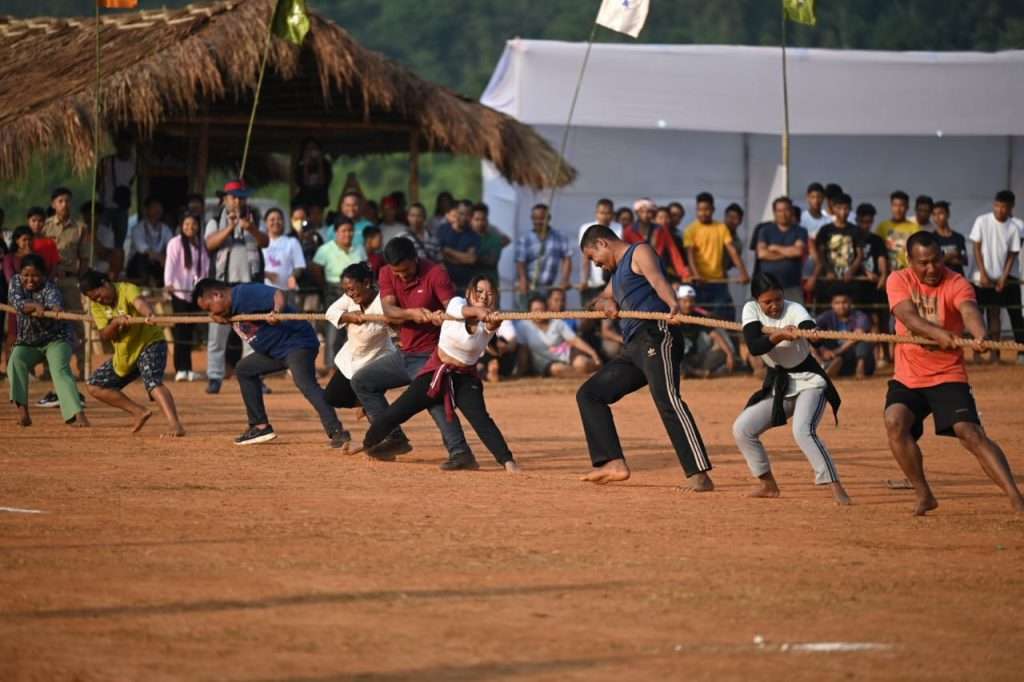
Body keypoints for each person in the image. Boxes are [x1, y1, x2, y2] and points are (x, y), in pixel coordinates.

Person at [884, 231, 1024, 515]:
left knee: (969, 432)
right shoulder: (898, 279)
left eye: (936, 260)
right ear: (909, 260)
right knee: (894, 421)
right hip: (908, 375)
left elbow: (969, 310)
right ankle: (925, 495)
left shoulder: (957, 282)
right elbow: (908, 317)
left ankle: (1016, 498)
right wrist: (938, 333)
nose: (931, 268)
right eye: (923, 263)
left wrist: (980, 334)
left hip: (947, 374)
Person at [576, 225, 714, 489]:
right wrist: (607, 304)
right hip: (632, 348)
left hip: (657, 334)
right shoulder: (615, 277)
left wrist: (673, 304)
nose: (597, 265)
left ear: (603, 243)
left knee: (667, 399)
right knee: (589, 394)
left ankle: (699, 474)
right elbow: (598, 301)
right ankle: (613, 462)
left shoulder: (639, 251)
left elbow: (658, 281)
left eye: (594, 258)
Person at [354, 276, 521, 473]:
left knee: (481, 420)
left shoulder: (490, 320)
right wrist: (477, 311)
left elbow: (490, 327)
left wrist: (493, 319)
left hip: (465, 378)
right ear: (468, 292)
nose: (484, 296)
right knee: (397, 411)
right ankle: (367, 443)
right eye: (479, 291)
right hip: (435, 372)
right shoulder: (457, 304)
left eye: (490, 293)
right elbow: (465, 311)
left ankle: (508, 462)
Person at [350, 237, 478, 469]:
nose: (402, 276)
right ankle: (394, 438)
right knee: (362, 381)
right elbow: (388, 310)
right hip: (404, 353)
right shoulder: (387, 273)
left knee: (434, 398)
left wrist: (442, 314)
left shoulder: (436, 273)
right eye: (397, 272)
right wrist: (411, 314)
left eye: (406, 270)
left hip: (431, 355)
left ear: (415, 259)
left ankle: (461, 453)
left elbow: (455, 309)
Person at [734, 273, 849, 504]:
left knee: (802, 431)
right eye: (768, 302)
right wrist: (778, 336)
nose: (775, 306)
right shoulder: (750, 310)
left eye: (778, 299)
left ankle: (836, 486)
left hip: (809, 381)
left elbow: (808, 326)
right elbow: (755, 347)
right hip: (781, 384)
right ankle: (768, 485)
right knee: (742, 429)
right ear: (757, 300)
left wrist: (811, 333)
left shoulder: (794, 308)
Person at [192, 278, 348, 448]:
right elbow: (226, 314)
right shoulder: (228, 308)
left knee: (306, 384)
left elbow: (277, 294)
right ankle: (260, 426)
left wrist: (276, 311)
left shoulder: (243, 293)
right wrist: (215, 315)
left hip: (296, 344)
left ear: (217, 295)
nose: (210, 312)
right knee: (244, 369)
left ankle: (337, 431)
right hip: (274, 352)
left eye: (209, 308)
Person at [80, 270, 185, 437]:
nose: (99, 300)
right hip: (126, 354)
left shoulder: (126, 288)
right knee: (94, 385)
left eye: (99, 295)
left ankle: (175, 424)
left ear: (105, 283)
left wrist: (149, 315)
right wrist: (115, 324)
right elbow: (105, 335)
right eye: (94, 299)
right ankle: (138, 412)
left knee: (152, 382)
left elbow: (139, 303)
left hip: (150, 343)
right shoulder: (96, 306)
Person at [203, 179, 269, 394]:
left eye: (243, 196)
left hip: (249, 283)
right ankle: (214, 376)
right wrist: (230, 227)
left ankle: (253, 375)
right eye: (236, 197)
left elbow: (265, 242)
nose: (240, 201)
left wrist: (250, 227)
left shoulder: (254, 217)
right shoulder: (215, 219)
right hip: (223, 284)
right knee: (217, 334)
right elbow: (209, 244)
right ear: (226, 199)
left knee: (251, 335)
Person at [7, 255, 89, 428]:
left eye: (35, 275)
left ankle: (77, 414)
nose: (30, 280)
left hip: (56, 339)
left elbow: (55, 303)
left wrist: (54, 309)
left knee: (60, 370)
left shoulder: (50, 288)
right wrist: (35, 306)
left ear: (44, 276)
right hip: (28, 342)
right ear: (20, 274)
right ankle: (24, 414)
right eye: (26, 275)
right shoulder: (15, 282)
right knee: (15, 361)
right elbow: (17, 302)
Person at [323, 262, 397, 418]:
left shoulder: (383, 303)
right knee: (331, 397)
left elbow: (395, 330)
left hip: (376, 360)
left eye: (352, 289)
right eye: (346, 290)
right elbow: (330, 312)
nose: (350, 294)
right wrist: (348, 316)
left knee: (373, 407)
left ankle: (391, 437)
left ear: (366, 283)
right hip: (351, 359)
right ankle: (367, 403)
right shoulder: (349, 298)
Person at [968, 190, 1024, 363]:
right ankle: (976, 354)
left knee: (995, 314)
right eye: (997, 205)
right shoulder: (982, 221)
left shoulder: (1014, 227)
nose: (1000, 210)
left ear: (1011, 208)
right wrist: (983, 273)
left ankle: (995, 354)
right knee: (977, 314)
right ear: (994, 204)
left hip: (1001, 278)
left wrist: (1003, 278)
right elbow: (976, 247)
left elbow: (1012, 255)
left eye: (1004, 207)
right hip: (979, 277)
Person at [42, 187, 89, 380]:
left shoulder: (80, 228)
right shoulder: (45, 228)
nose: (65, 204)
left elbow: (84, 258)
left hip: (70, 281)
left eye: (68, 200)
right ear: (53, 204)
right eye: (60, 201)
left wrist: (83, 280)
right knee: (47, 323)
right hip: (48, 282)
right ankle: (46, 369)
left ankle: (83, 368)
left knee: (77, 324)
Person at [684, 192, 749, 320]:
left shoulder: (721, 228)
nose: (703, 213)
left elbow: (732, 251)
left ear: (713, 209)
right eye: (700, 210)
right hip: (700, 282)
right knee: (701, 317)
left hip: (719, 281)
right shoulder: (691, 229)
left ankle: (730, 340)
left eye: (707, 209)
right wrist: (696, 274)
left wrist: (743, 272)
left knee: (726, 315)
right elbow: (690, 255)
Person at [163, 213, 208, 382]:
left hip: (194, 293)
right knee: (180, 331)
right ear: (181, 225)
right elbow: (171, 264)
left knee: (190, 332)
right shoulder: (175, 243)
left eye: (194, 224)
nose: (190, 227)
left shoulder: (200, 244)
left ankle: (188, 368)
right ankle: (180, 368)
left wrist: (202, 287)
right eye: (187, 224)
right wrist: (169, 283)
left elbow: (204, 268)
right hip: (179, 292)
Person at [312, 217, 365, 359]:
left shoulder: (359, 249)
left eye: (350, 230)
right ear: (336, 232)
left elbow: (365, 269)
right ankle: (331, 365)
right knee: (334, 327)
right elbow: (315, 269)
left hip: (356, 292)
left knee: (357, 328)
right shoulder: (325, 249)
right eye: (344, 230)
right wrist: (325, 287)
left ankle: (355, 362)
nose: (347, 234)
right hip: (333, 290)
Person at [514, 295, 600, 376]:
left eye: (541, 309)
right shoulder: (523, 325)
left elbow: (574, 340)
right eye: (535, 310)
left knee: (581, 363)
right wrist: (520, 370)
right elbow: (523, 349)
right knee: (557, 369)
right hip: (545, 363)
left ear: (546, 310)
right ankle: (587, 377)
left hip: (567, 355)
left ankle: (599, 370)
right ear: (529, 312)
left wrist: (593, 353)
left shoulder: (556, 322)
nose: (539, 312)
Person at [514, 203, 571, 309]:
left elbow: (567, 259)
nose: (539, 222)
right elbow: (520, 262)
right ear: (531, 219)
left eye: (542, 218)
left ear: (549, 218)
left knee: (548, 319)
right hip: (529, 287)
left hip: (549, 288)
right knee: (526, 318)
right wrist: (523, 279)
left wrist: (565, 279)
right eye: (535, 219)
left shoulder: (560, 237)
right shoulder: (525, 239)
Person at [811, 193, 863, 306]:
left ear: (850, 209)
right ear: (833, 209)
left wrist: (852, 271)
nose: (843, 212)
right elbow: (820, 254)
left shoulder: (855, 230)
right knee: (826, 309)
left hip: (849, 280)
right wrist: (828, 270)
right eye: (839, 208)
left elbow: (860, 255)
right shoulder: (825, 230)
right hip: (829, 281)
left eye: (846, 208)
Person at [676, 284, 737, 378]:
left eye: (691, 301)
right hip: (679, 358)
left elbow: (714, 334)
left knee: (722, 353)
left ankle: (693, 372)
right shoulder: (671, 317)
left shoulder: (697, 316)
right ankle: (698, 373)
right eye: (685, 301)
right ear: (678, 301)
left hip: (695, 357)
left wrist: (729, 354)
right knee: (673, 360)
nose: (688, 304)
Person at [756, 196, 808, 303]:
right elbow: (762, 254)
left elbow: (798, 252)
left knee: (797, 318)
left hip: (792, 286)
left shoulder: (800, 231)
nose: (783, 214)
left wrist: (775, 248)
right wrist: (788, 253)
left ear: (792, 211)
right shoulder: (765, 230)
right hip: (768, 287)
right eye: (779, 211)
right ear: (774, 212)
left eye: (786, 210)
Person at [813, 290, 875, 379]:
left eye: (844, 302)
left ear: (850, 303)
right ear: (832, 305)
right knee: (812, 339)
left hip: (856, 357)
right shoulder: (826, 316)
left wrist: (838, 351)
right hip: (836, 358)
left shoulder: (860, 315)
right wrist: (823, 350)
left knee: (864, 339)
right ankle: (822, 366)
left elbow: (859, 334)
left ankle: (860, 368)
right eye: (837, 303)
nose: (841, 306)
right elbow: (811, 330)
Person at [625, 200, 690, 283]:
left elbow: (673, 252)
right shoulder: (629, 231)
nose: (645, 215)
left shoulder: (661, 230)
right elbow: (625, 255)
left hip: (658, 271)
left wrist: (684, 274)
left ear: (653, 213)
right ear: (637, 213)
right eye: (641, 211)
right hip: (636, 273)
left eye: (649, 212)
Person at [578, 199, 622, 310]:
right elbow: (585, 258)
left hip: (611, 279)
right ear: (596, 213)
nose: (604, 216)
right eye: (602, 213)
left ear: (612, 214)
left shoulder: (619, 228)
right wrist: (584, 280)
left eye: (608, 213)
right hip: (593, 281)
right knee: (587, 313)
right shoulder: (586, 228)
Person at [124, 196, 173, 286]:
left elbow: (172, 246)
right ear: (146, 210)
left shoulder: (165, 229)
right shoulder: (137, 228)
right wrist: (160, 257)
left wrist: (166, 258)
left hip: (157, 263)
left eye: (159, 207)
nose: (157, 210)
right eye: (154, 207)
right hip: (138, 265)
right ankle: (146, 281)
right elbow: (142, 249)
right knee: (142, 256)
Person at [99, 132, 136, 248]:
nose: (125, 148)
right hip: (106, 207)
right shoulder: (106, 162)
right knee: (103, 241)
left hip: (122, 209)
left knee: (119, 244)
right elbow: (98, 182)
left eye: (127, 145)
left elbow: (130, 182)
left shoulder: (133, 164)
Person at [261, 207, 306, 302]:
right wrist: (266, 274)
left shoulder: (292, 242)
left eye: (279, 219)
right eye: (272, 219)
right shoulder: (260, 242)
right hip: (265, 290)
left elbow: (299, 266)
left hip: (287, 291)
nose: (276, 222)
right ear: (266, 222)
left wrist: (293, 276)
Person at [436, 200, 480, 289]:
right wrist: (463, 258)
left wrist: (449, 251)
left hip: (465, 286)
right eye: (461, 213)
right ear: (456, 212)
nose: (464, 217)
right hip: (444, 284)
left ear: (471, 216)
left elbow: (471, 259)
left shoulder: (474, 236)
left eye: (467, 214)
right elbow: (439, 256)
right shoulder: (443, 230)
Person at [875, 190, 917, 271]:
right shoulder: (882, 226)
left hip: (907, 272)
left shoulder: (915, 228)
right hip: (887, 272)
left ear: (907, 207)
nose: (898, 209)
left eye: (901, 205)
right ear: (891, 206)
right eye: (895, 205)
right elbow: (877, 250)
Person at [470, 203, 509, 287]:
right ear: (470, 220)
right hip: (470, 285)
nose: (480, 222)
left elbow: (492, 260)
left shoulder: (495, 239)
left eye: (483, 219)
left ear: (487, 220)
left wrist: (468, 257)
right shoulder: (465, 237)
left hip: (491, 286)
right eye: (477, 219)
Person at [293, 138, 333, 209]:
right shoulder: (300, 165)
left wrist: (319, 162)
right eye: (308, 149)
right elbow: (304, 183)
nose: (311, 151)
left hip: (320, 200)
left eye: (314, 149)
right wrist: (306, 164)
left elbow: (322, 182)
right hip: (304, 201)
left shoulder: (325, 165)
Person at [931, 200, 967, 276]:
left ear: (948, 214)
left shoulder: (959, 237)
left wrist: (943, 258)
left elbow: (964, 261)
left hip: (958, 278)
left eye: (940, 213)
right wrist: (951, 255)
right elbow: (933, 262)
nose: (937, 217)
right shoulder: (931, 238)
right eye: (934, 214)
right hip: (940, 278)